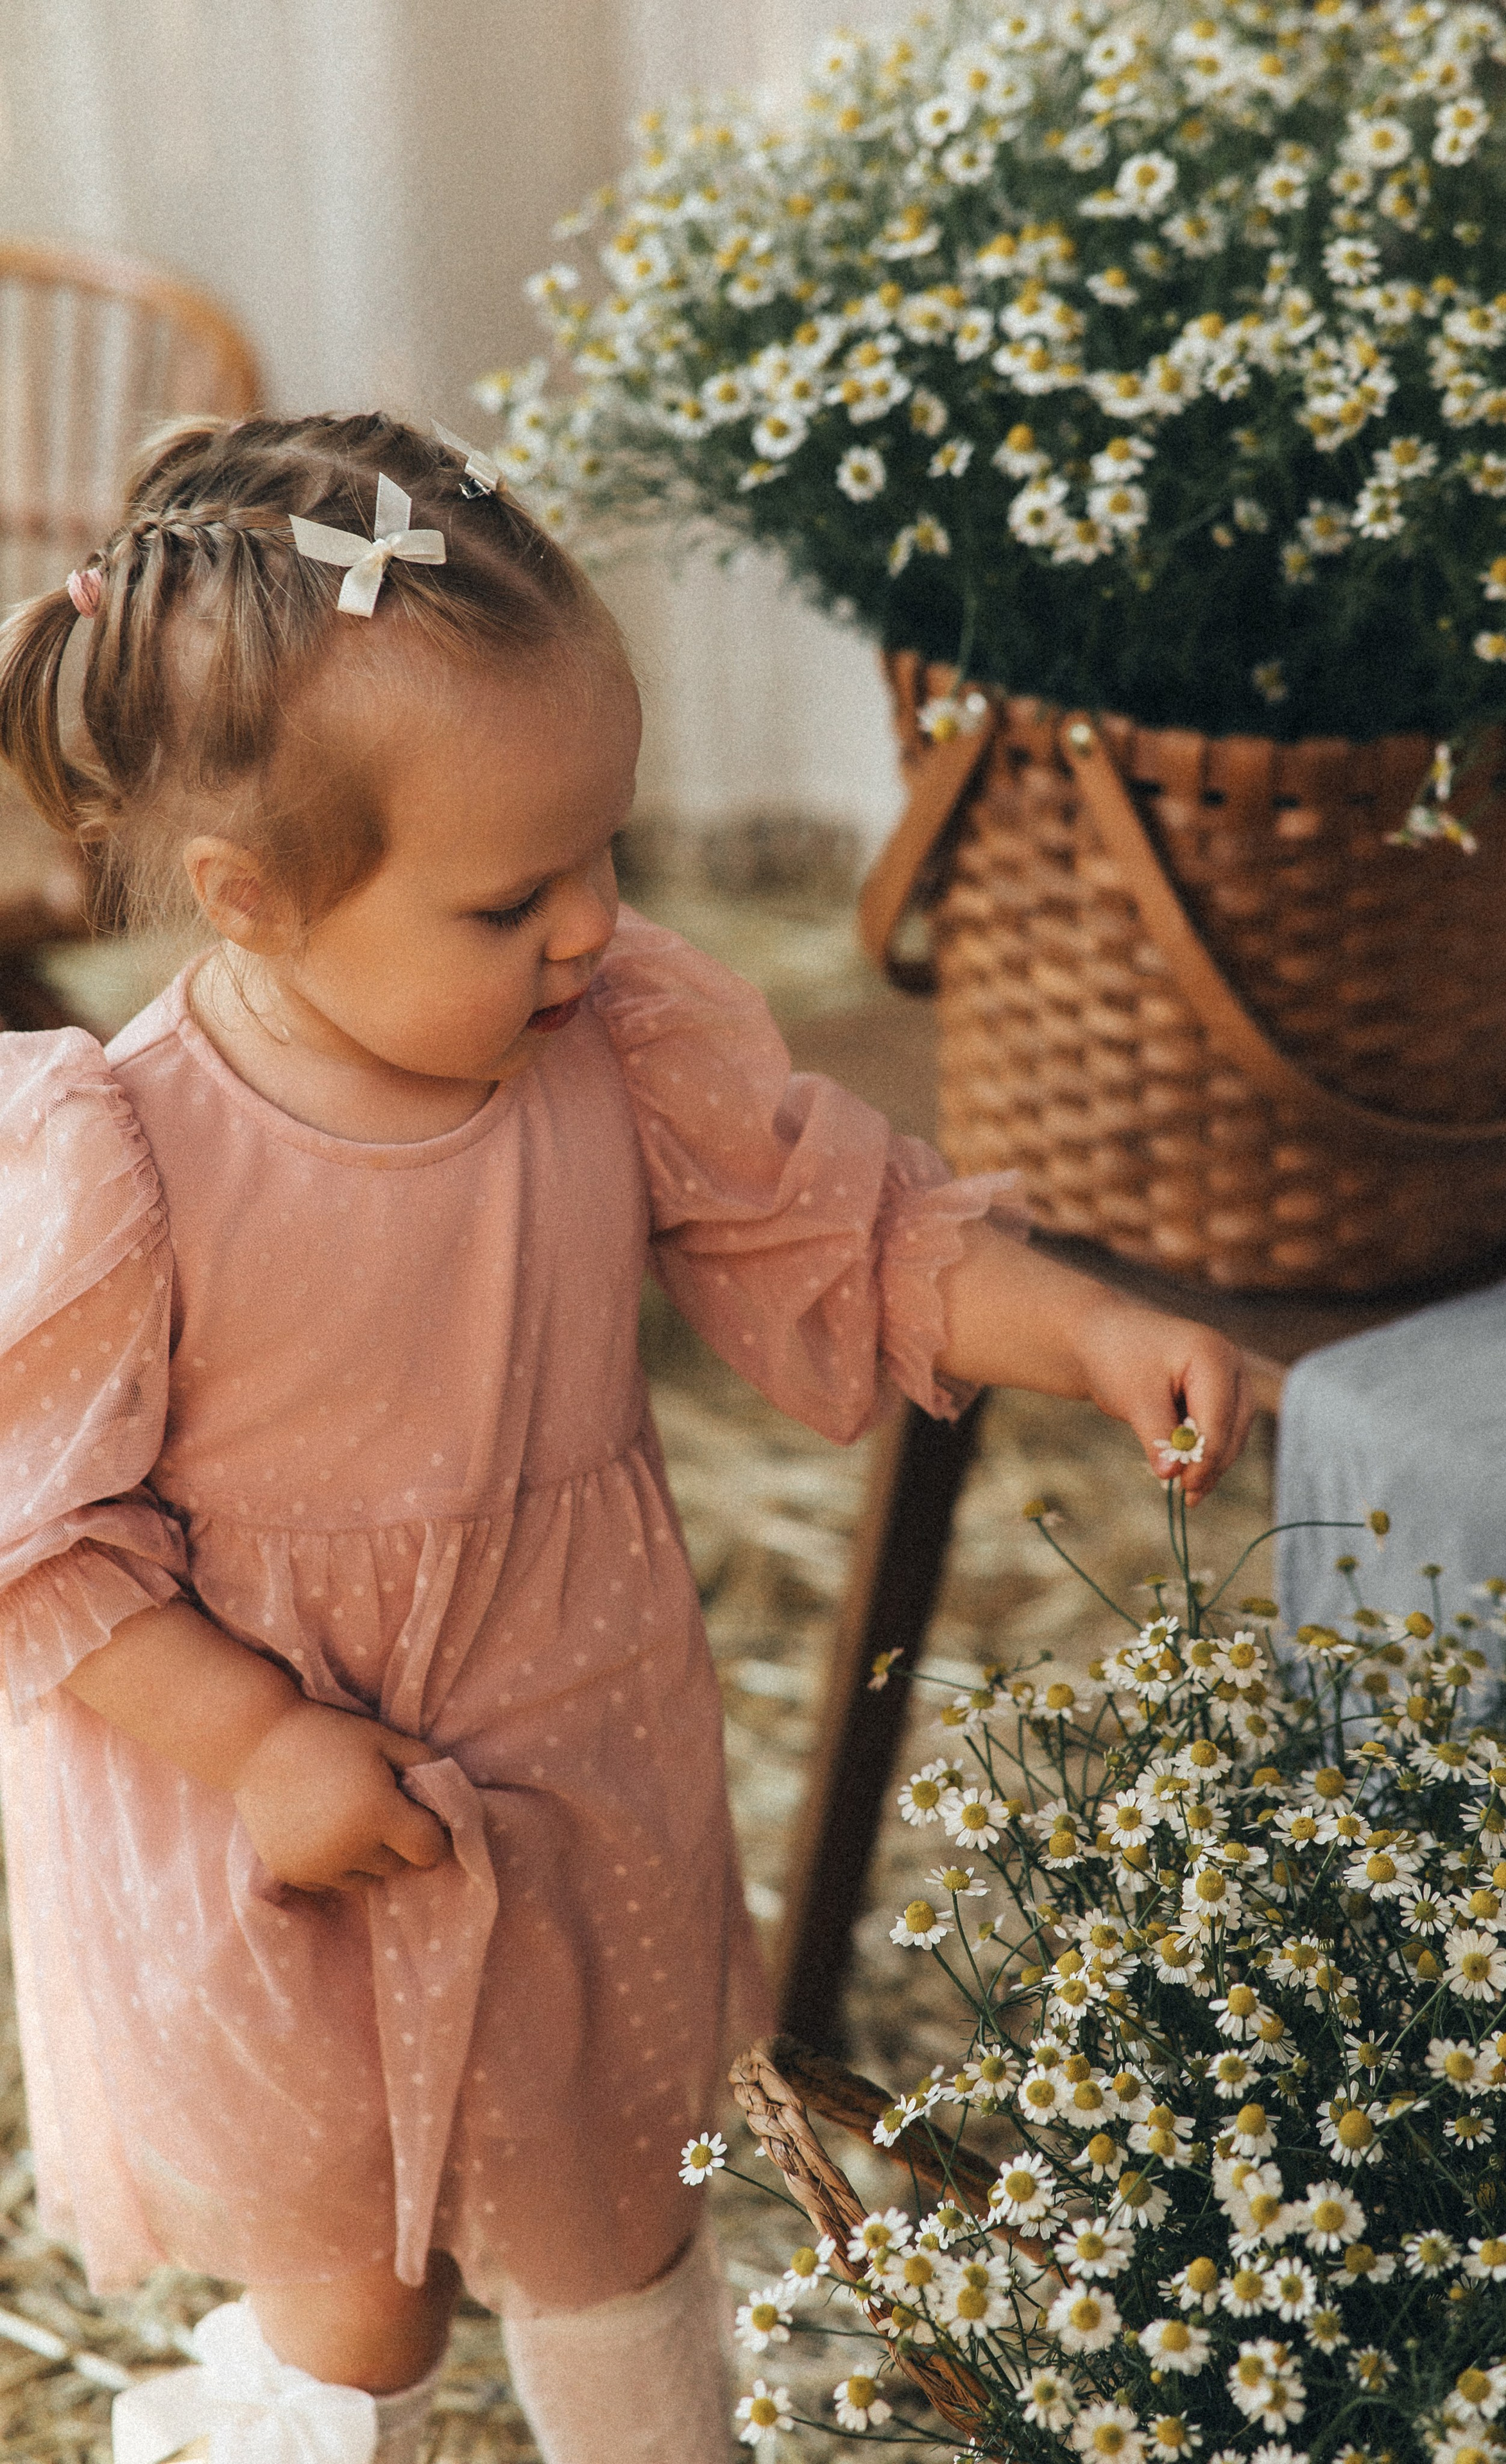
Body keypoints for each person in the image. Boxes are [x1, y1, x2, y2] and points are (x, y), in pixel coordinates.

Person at [0, 412, 1254, 2464]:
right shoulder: (122, 1161)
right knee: (361, 2305)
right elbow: (38, 1544)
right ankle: (257, 2427)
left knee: (614, 2233)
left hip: (573, 1752)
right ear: (252, 897)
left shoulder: (621, 1043)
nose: (586, 927)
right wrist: (260, 1744)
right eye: (511, 901)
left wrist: (1090, 1328)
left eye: (609, 851)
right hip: (287, 1827)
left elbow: (842, 1236)